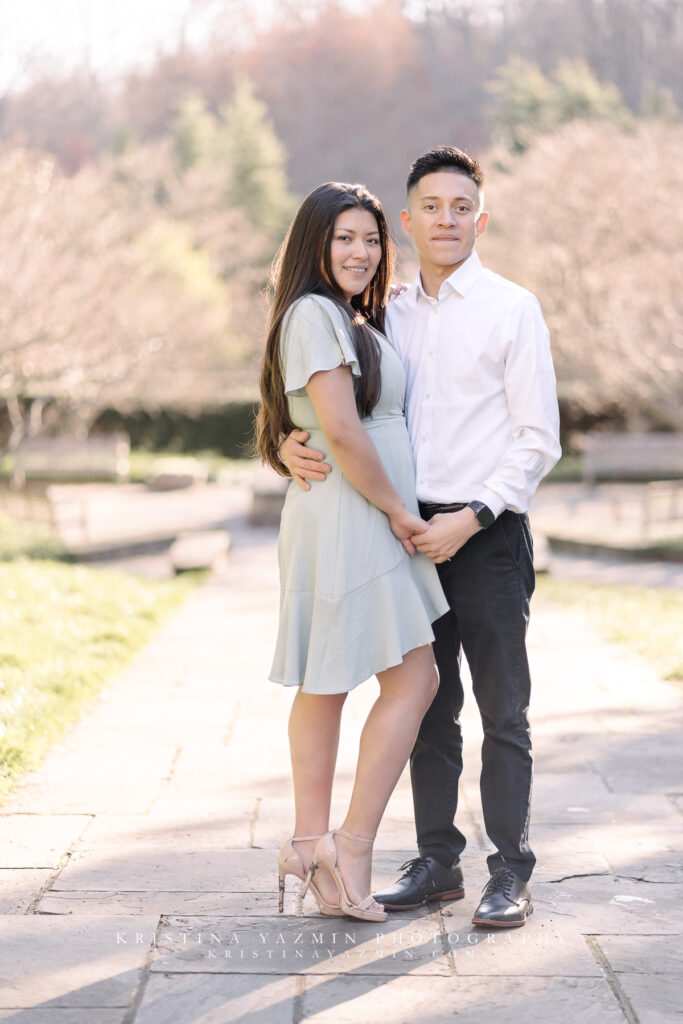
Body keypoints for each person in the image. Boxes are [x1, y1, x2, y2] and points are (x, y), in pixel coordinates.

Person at [280, 147, 561, 928]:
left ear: (480, 216)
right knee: (424, 705)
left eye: (461, 206)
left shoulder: (512, 307)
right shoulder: (381, 311)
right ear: (407, 221)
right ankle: (436, 861)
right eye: (431, 207)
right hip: (399, 535)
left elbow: (537, 439)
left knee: (504, 709)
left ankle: (509, 870)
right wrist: (284, 445)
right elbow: (329, 403)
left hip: (482, 530)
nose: (447, 219)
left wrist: (470, 519)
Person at [257, 181, 449, 923]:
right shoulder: (312, 313)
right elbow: (337, 429)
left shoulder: (347, 319)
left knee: (341, 677)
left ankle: (317, 844)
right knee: (403, 677)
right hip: (354, 514)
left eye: (371, 239)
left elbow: (313, 415)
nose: (361, 252)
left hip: (357, 511)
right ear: (314, 243)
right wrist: (400, 512)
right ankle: (342, 844)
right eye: (344, 237)